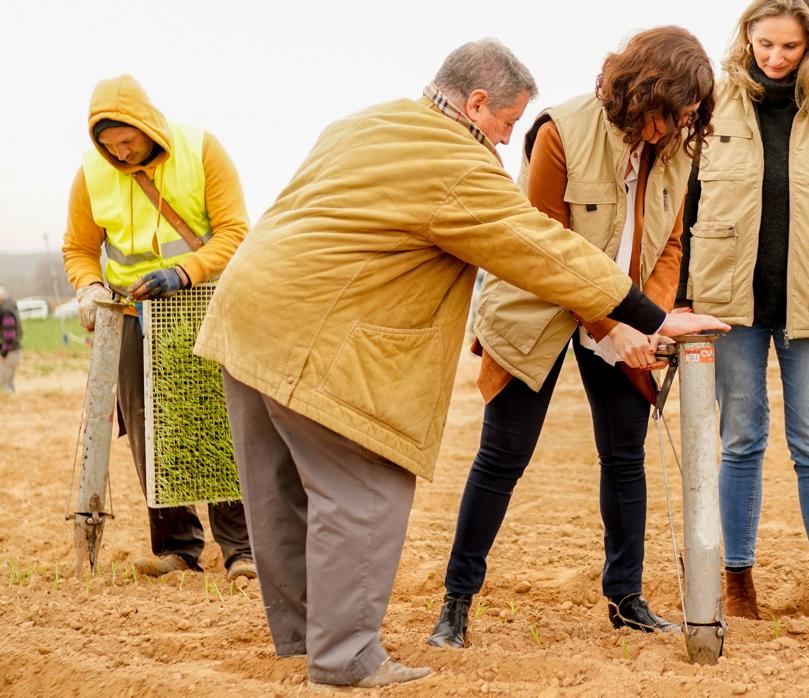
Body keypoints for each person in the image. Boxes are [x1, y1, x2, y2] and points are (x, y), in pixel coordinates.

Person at [193, 39, 728, 689]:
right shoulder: (454, 162)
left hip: (244, 321)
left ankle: (306, 638)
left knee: (279, 492)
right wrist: (650, 316)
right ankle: (345, 658)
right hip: (321, 337)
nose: (505, 144)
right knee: (366, 490)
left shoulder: (366, 121)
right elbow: (539, 248)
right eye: (505, 126)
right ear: (476, 104)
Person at [427, 27, 717, 650]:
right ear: (643, 93)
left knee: (625, 458)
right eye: (668, 114)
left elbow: (670, 244)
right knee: (503, 457)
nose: (670, 131)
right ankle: (455, 604)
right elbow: (544, 251)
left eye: (685, 118)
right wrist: (612, 326)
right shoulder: (560, 131)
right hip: (539, 309)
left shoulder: (679, 148)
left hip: (627, 314)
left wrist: (648, 322)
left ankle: (628, 599)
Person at [677, 0, 809, 622]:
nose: (776, 58)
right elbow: (686, 204)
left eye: (789, 46)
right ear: (747, 39)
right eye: (765, 45)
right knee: (741, 439)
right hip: (729, 303)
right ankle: (737, 584)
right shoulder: (714, 103)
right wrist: (678, 300)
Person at [61, 75, 255, 583]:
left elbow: (236, 230)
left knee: (215, 420)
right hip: (132, 314)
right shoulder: (91, 175)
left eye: (127, 141)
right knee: (146, 426)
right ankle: (177, 548)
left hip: (202, 301)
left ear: (148, 125)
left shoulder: (202, 150)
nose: (120, 155)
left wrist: (184, 272)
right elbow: (79, 248)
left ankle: (241, 550)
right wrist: (88, 286)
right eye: (108, 147)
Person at [0, 288, 20, 394]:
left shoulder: (6, 312)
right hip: (14, 351)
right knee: (9, 383)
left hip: (9, 353)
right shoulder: (11, 307)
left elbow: (9, 336)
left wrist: (3, 353)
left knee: (2, 384)